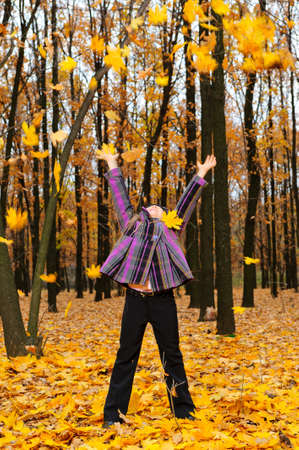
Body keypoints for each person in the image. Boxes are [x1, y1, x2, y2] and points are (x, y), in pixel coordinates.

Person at [98, 152, 216, 427]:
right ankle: (113, 414)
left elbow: (186, 204)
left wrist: (201, 174)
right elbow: (120, 197)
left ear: (166, 217)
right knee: (126, 355)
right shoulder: (132, 224)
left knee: (171, 354)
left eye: (159, 208)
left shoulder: (170, 230)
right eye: (149, 207)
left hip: (163, 301)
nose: (153, 207)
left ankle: (183, 411)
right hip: (135, 300)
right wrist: (112, 164)